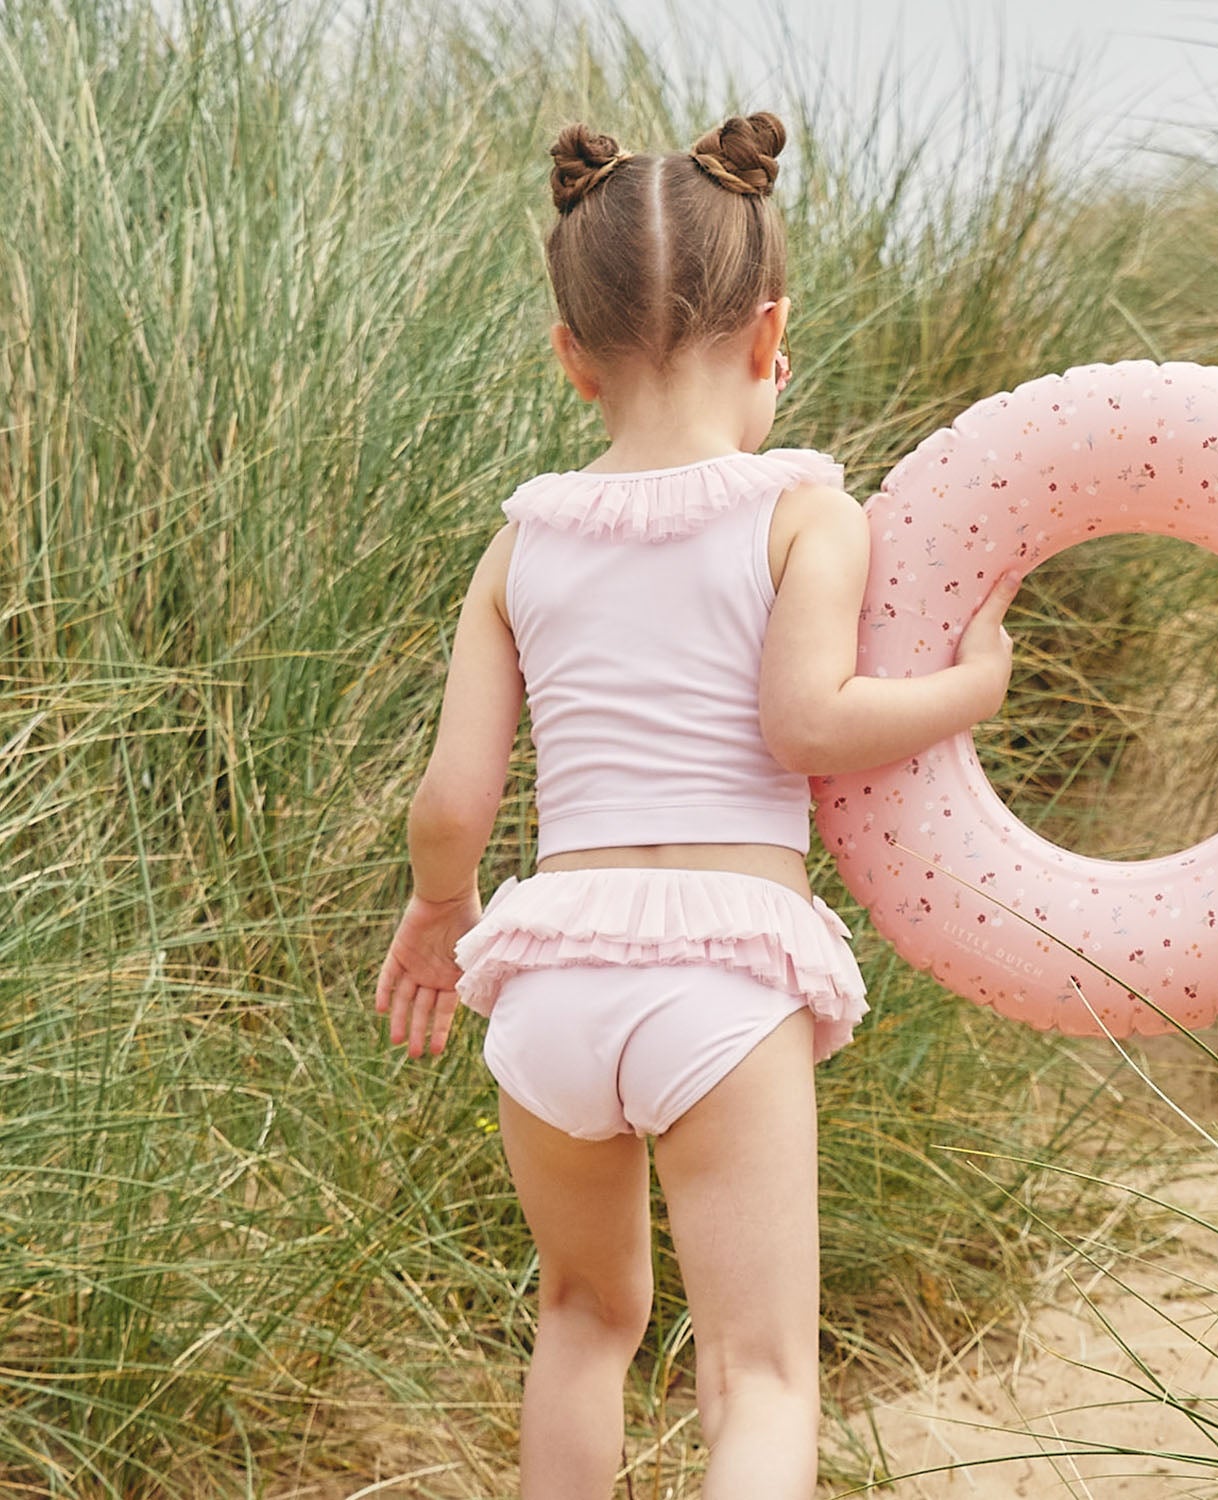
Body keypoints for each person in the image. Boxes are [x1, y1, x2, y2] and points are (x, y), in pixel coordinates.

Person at [374, 111, 1015, 1500]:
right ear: (771, 334)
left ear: (570, 357)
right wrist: (974, 688)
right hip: (720, 973)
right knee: (760, 1376)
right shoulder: (802, 514)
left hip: (550, 974)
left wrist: (440, 917)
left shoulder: (521, 541)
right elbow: (809, 723)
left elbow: (450, 799)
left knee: (583, 1320)